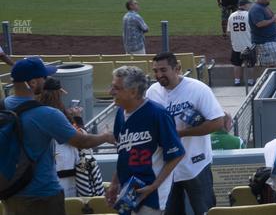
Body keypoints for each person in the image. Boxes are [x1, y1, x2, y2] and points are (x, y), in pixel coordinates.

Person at [4, 58, 113, 214]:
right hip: (42, 195)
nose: (46, 80)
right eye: (43, 77)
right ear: (32, 83)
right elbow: (82, 142)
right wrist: (106, 136)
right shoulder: (47, 114)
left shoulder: (3, 106)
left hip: (11, 193)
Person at [147, 53, 226, 215]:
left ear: (177, 69)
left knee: (205, 210)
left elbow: (218, 122)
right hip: (166, 167)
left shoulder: (198, 89)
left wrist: (180, 133)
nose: (159, 75)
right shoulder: (152, 92)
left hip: (196, 163)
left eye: (163, 70)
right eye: (155, 71)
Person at [106, 65, 185, 215]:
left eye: (117, 88)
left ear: (133, 91)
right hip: (127, 191)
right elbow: (123, 153)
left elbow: (177, 154)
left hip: (151, 194)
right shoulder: (120, 113)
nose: (110, 92)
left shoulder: (158, 114)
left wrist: (154, 186)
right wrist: (115, 183)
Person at [35, 76, 85, 198]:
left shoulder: (34, 112)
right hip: (65, 172)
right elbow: (81, 139)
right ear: (59, 93)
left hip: (43, 176)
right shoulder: (59, 115)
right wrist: (77, 118)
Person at [249, 0, 276, 70]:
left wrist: (275, 18)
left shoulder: (264, 6)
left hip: (269, 41)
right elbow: (259, 23)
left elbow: (269, 18)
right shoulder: (256, 9)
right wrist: (273, 19)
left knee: (273, 63)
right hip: (264, 42)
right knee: (271, 64)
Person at [227, 0, 255, 86]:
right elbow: (254, 30)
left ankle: (237, 81)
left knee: (237, 64)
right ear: (245, 5)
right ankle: (250, 81)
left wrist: (233, 40)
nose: (250, 6)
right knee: (250, 64)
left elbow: (229, 32)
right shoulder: (249, 15)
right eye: (249, 4)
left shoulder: (231, 16)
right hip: (248, 45)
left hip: (236, 45)